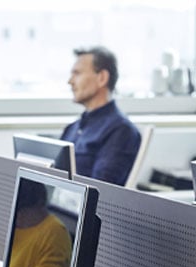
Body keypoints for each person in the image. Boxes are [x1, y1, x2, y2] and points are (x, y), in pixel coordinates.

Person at [60, 46, 141, 186]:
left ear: (102, 78)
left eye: (77, 74)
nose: (70, 81)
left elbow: (100, 191)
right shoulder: (71, 128)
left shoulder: (121, 131)